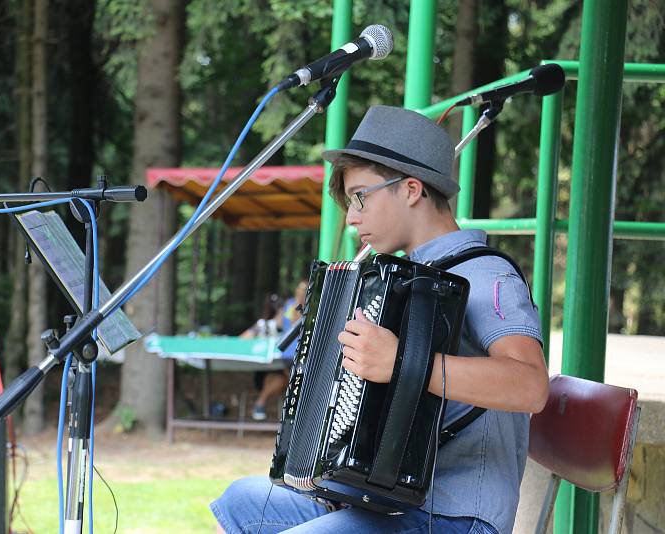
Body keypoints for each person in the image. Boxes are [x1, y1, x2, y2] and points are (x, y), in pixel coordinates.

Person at [211, 105, 549, 534]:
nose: (352, 218)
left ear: (410, 189)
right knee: (241, 501)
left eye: (361, 197)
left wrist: (402, 362)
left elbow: (531, 386)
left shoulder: (484, 274)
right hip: (390, 506)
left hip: (453, 516)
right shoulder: (402, 280)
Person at [250, 279, 308, 421]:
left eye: (304, 290)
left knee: (283, 379)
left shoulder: (312, 307)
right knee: (281, 378)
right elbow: (281, 323)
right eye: (299, 290)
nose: (300, 293)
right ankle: (263, 404)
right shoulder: (289, 305)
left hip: (301, 353)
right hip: (285, 352)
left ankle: (261, 403)